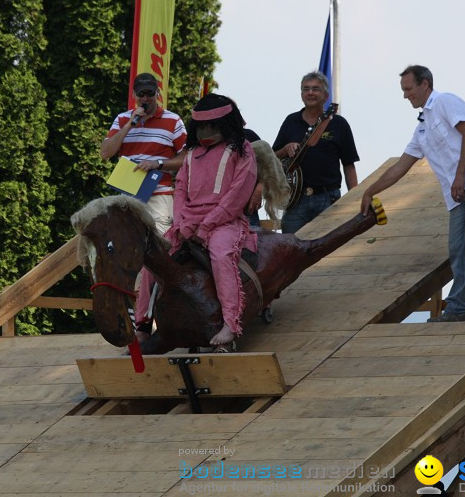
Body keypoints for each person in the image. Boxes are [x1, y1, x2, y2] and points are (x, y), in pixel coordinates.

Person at [360, 65, 465, 322]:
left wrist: (460, 174)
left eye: (408, 89)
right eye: (403, 90)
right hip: (459, 188)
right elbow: (401, 166)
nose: (406, 95)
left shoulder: (444, 101)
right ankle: (458, 308)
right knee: (458, 247)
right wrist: (370, 190)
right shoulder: (421, 126)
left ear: (425, 84)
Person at [100, 72, 186, 339]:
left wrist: (158, 164)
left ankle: (149, 322)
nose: (146, 98)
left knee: (156, 255)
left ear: (158, 93)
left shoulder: (173, 121)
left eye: (151, 93)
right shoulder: (123, 119)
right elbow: (106, 153)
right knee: (124, 255)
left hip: (159, 195)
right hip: (127, 196)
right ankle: (136, 319)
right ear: (135, 95)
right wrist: (130, 125)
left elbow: (187, 158)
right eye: (142, 94)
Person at [167, 93, 257, 347]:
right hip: (186, 225)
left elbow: (236, 196)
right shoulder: (192, 154)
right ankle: (142, 324)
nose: (206, 131)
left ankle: (231, 324)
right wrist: (181, 224)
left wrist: (206, 225)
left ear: (226, 124)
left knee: (220, 255)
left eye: (212, 125)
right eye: (202, 126)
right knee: (153, 257)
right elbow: (180, 190)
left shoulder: (243, 150)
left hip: (225, 224)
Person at [273, 71, 359, 234]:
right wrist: (285, 150)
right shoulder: (290, 121)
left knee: (328, 253)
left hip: (328, 199)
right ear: (301, 94)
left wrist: (355, 199)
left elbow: (349, 165)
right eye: (306, 89)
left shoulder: (339, 124)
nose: (310, 93)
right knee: (291, 251)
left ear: (326, 96)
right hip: (295, 201)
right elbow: (271, 159)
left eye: (315, 89)